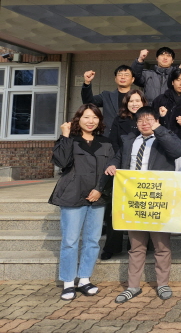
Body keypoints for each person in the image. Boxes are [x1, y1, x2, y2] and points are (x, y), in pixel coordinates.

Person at [105, 106, 181, 303]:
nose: (144, 123)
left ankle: (163, 284)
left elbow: (177, 151)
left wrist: (160, 130)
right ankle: (133, 286)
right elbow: (118, 158)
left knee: (161, 246)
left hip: (157, 200)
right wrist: (112, 165)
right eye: (141, 120)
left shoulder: (164, 138)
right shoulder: (129, 140)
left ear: (157, 121)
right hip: (134, 200)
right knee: (136, 246)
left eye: (149, 119)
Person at [50, 104, 114, 301]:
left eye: (94, 117)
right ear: (78, 119)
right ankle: (68, 282)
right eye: (86, 117)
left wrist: (100, 189)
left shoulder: (106, 143)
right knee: (70, 241)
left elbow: (111, 169)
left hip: (97, 197)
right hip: (72, 195)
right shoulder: (70, 140)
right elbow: (61, 162)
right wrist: (65, 135)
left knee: (92, 240)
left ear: (99, 120)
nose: (90, 121)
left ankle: (85, 279)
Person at [102, 89, 147, 260]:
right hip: (122, 170)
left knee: (139, 210)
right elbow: (113, 142)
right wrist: (116, 162)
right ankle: (112, 246)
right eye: (131, 101)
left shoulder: (149, 119)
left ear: (143, 102)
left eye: (138, 100)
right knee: (117, 209)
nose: (134, 104)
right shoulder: (119, 120)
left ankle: (136, 246)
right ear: (126, 104)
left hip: (143, 172)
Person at [81, 65, 135, 136]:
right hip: (109, 136)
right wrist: (87, 83)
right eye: (120, 74)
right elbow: (88, 102)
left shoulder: (137, 97)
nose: (123, 77)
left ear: (132, 79)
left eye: (126, 75)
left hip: (131, 136)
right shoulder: (106, 95)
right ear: (115, 79)